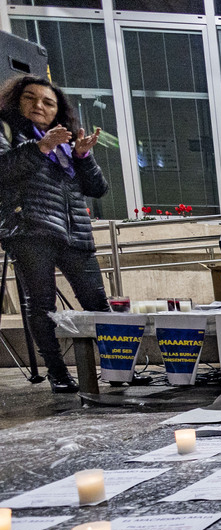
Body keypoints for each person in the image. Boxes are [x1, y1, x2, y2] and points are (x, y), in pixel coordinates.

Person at [0, 76, 107, 394]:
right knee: (42, 305)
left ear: (58, 110)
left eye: (48, 102)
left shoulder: (68, 141)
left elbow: (97, 189)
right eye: (30, 98)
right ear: (16, 102)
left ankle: (119, 366)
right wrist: (40, 147)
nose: (39, 106)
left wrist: (83, 157)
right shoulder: (7, 131)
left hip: (75, 232)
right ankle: (58, 373)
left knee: (98, 303)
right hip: (31, 230)